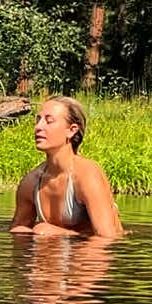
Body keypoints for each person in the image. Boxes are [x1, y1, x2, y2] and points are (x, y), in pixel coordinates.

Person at [10, 96, 123, 239]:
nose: (38, 127)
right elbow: (18, 228)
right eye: (38, 120)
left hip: (89, 255)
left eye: (49, 121)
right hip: (55, 255)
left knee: (41, 231)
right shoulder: (31, 182)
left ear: (71, 130)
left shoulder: (86, 174)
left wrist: (57, 233)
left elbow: (107, 238)